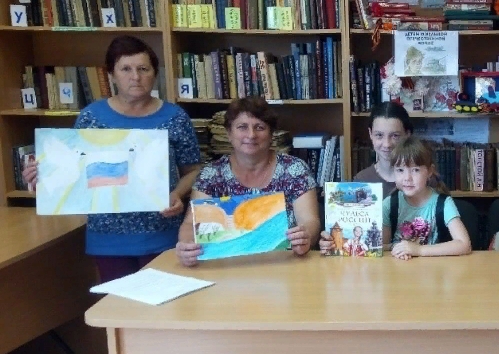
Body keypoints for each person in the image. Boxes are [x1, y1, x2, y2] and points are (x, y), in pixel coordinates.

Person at [22, 35, 202, 282]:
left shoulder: (175, 117)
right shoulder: (91, 118)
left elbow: (193, 169)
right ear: (111, 75)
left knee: (164, 302)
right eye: (126, 69)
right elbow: (74, 172)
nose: (135, 77)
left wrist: (177, 194)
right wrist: (41, 176)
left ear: (154, 73)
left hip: (163, 233)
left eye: (143, 69)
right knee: (115, 303)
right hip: (108, 239)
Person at [175, 97, 320, 266]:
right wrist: (187, 245)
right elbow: (190, 224)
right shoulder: (211, 175)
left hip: (285, 265)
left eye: (260, 127)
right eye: (242, 127)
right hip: (227, 268)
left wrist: (306, 236)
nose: (251, 135)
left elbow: (310, 220)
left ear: (271, 135)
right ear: (229, 133)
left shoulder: (295, 169)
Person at [321, 136, 471, 260]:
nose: (407, 178)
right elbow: (383, 247)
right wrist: (335, 243)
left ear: (429, 172)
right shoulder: (390, 204)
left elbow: (464, 245)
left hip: (433, 273)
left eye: (415, 170)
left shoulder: (443, 204)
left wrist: (418, 250)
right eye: (400, 170)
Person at [353, 101, 413, 197]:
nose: (387, 144)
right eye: (379, 135)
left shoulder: (421, 179)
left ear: (407, 134)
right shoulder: (362, 180)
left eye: (395, 136)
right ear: (370, 134)